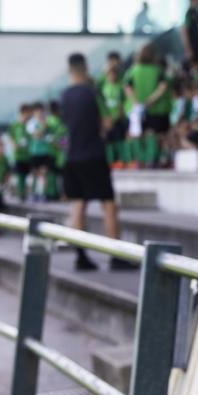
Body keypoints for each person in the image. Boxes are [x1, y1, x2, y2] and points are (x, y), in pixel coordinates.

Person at [59, 53, 131, 272]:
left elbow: (64, 126)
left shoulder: (63, 96)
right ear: (86, 68)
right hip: (93, 154)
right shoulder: (93, 92)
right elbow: (107, 121)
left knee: (78, 205)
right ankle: (115, 256)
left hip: (71, 156)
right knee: (109, 205)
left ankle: (81, 256)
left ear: (69, 70)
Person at [123, 44, 170, 168]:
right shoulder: (157, 70)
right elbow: (162, 88)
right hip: (156, 109)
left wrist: (136, 103)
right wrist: (149, 101)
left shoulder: (132, 70)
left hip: (136, 110)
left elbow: (127, 88)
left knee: (137, 133)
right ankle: (153, 158)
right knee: (153, 134)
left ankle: (138, 160)